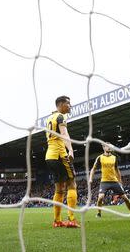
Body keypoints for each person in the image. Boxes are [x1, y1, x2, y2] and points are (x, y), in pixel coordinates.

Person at [45, 96, 79, 228]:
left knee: (59, 189)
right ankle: (71, 219)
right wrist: (70, 150)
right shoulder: (60, 117)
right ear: (61, 104)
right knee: (72, 184)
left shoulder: (49, 118)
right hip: (60, 154)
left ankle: (57, 221)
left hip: (50, 156)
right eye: (68, 104)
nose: (70, 106)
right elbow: (64, 134)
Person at [90, 143, 130, 217]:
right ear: (103, 147)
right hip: (104, 181)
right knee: (100, 198)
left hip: (114, 181)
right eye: (107, 146)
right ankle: (99, 213)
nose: (109, 148)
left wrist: (120, 180)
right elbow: (93, 168)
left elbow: (117, 170)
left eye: (110, 146)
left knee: (125, 198)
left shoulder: (114, 157)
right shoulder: (100, 157)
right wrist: (90, 178)